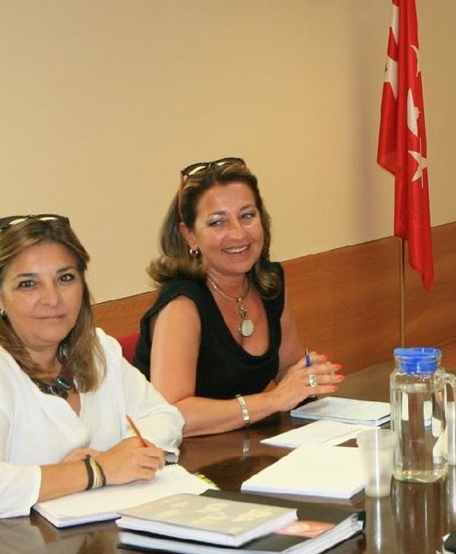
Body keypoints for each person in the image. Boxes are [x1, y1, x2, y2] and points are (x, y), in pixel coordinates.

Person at [0, 215, 183, 539]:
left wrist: (119, 456)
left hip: (69, 543)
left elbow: (165, 417)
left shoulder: (97, 348)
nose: (52, 298)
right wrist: (96, 471)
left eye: (65, 278)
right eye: (28, 284)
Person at [134, 158, 341, 436]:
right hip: (174, 456)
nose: (238, 233)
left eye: (247, 216)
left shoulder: (269, 284)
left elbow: (288, 370)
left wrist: (310, 376)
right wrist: (272, 400)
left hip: (242, 447)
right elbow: (172, 413)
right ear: (190, 236)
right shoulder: (182, 304)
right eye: (217, 222)